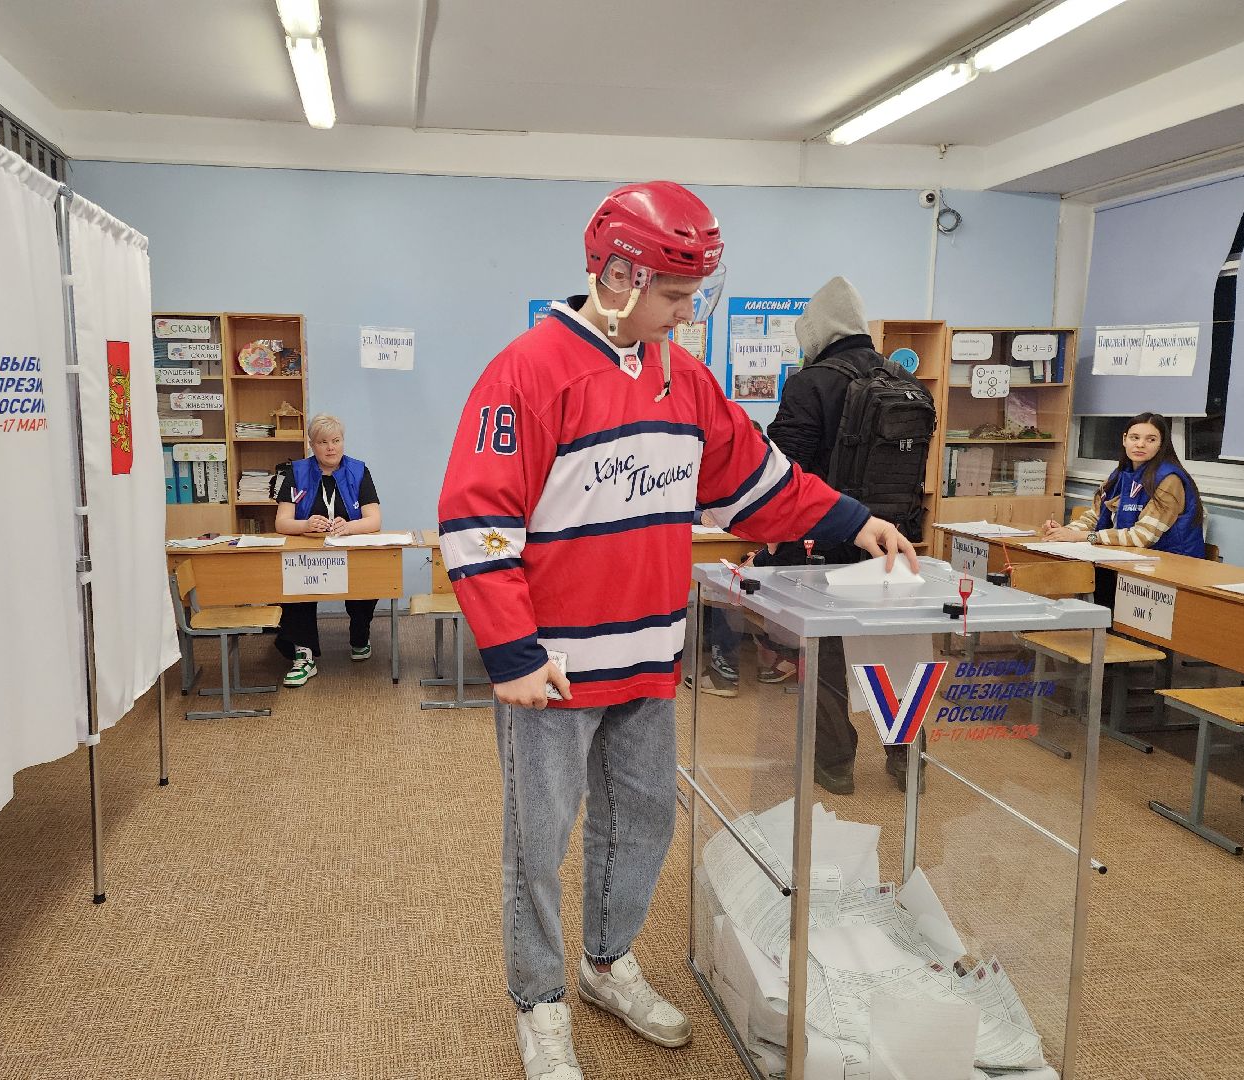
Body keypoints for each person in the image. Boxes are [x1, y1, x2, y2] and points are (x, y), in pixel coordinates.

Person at [437, 183, 917, 1080]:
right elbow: (477, 524)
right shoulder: (528, 372)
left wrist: (855, 521)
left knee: (643, 824)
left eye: (695, 292)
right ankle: (538, 1001)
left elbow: (758, 484)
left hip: (651, 658)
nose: (688, 312)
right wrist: (512, 650)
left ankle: (606, 962)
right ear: (617, 275)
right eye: (674, 293)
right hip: (553, 669)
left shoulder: (682, 378)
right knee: (538, 843)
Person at [762, 275, 924, 796]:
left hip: (825, 539)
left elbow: (784, 470)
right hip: (893, 541)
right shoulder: (906, 381)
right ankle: (907, 758)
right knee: (893, 652)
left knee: (827, 653)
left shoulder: (810, 383)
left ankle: (835, 764)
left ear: (816, 328)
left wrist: (772, 534)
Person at [273, 413, 383, 687]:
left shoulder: (358, 471)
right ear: (312, 445)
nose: (331, 448)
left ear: (343, 441)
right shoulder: (296, 472)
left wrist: (349, 527)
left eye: (336, 440)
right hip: (307, 556)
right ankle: (304, 654)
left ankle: (360, 636)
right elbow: (281, 522)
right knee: (296, 586)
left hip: (350, 552)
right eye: (323, 442)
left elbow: (374, 520)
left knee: (370, 579)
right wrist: (305, 525)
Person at [1042, 412, 1205, 558]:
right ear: (1124, 439)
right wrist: (1064, 531)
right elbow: (1095, 516)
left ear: (1161, 444)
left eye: (1151, 439)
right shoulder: (1119, 475)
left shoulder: (1170, 480)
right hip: (1127, 558)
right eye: (1134, 437)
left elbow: (1142, 537)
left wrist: (1084, 536)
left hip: (1171, 563)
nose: (1140, 444)